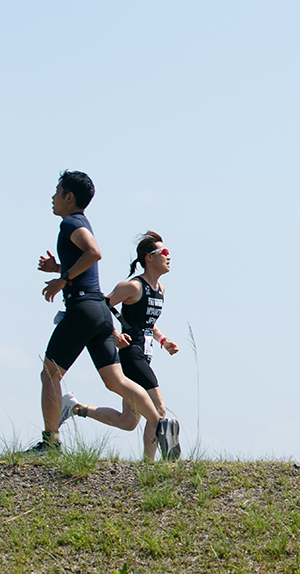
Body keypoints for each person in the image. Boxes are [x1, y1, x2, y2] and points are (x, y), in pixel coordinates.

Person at [28, 170, 179, 459]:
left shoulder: (70, 222)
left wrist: (63, 278)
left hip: (83, 308)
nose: (52, 197)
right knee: (116, 382)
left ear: (68, 197)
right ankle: (158, 422)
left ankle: (50, 444)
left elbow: (94, 253)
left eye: (56, 192)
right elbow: (86, 263)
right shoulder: (80, 222)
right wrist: (60, 269)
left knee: (50, 374)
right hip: (99, 312)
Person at [59, 232, 181, 461]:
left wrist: (163, 340)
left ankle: (74, 408)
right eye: (163, 252)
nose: (168, 257)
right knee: (159, 410)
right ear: (148, 258)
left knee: (128, 421)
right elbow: (101, 307)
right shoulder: (133, 286)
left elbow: (148, 323)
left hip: (145, 354)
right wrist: (114, 333)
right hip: (131, 353)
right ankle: (149, 465)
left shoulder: (161, 290)